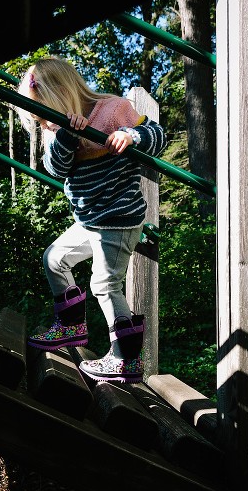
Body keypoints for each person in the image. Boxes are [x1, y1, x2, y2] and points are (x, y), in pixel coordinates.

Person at [15, 56, 167, 384]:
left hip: (117, 217)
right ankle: (71, 327)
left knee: (104, 284)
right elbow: (56, 169)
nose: (44, 125)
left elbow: (157, 135)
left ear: (59, 93)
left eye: (43, 116)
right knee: (54, 259)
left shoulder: (112, 110)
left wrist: (132, 136)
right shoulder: (57, 127)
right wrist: (65, 134)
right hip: (90, 221)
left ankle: (126, 359)